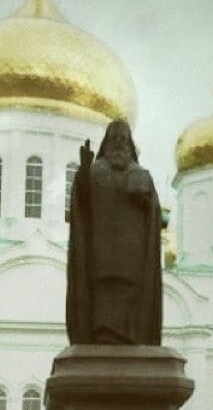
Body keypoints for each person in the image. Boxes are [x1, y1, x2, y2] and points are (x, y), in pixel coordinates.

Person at [66, 119, 162, 345]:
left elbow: (154, 212)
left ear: (130, 144)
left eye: (123, 138)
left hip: (134, 252)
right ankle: (102, 336)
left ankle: (133, 335)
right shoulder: (94, 172)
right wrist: (82, 172)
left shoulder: (142, 175)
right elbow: (83, 204)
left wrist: (145, 200)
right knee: (103, 294)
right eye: (114, 138)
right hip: (101, 250)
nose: (119, 143)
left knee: (132, 295)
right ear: (106, 142)